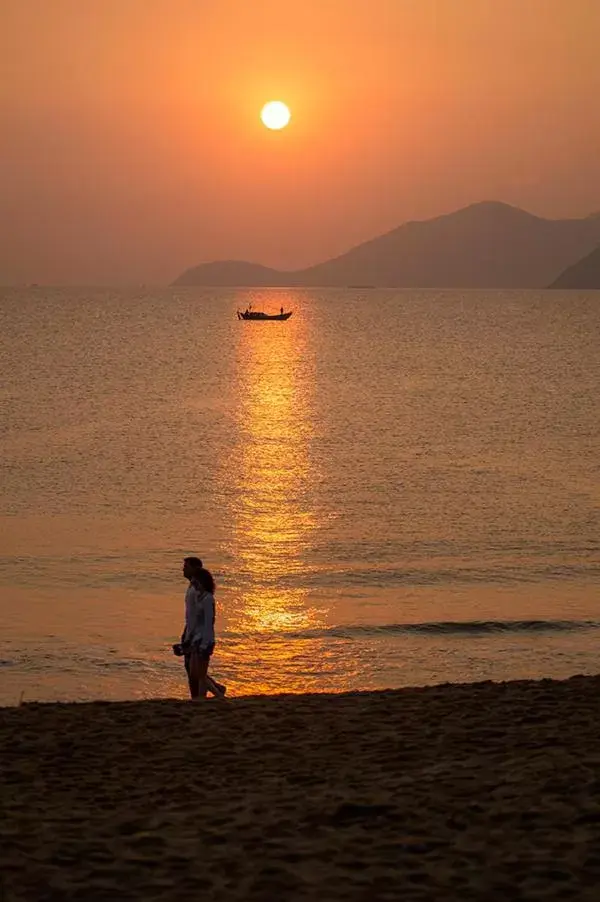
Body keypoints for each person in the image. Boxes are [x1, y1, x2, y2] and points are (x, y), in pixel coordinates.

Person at [179, 557, 225, 700]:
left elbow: (201, 619)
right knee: (194, 670)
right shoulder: (196, 592)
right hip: (192, 631)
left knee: (195, 671)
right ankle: (210, 691)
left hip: (196, 634)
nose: (183, 569)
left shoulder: (198, 593)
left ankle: (202, 695)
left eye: (186, 566)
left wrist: (189, 636)